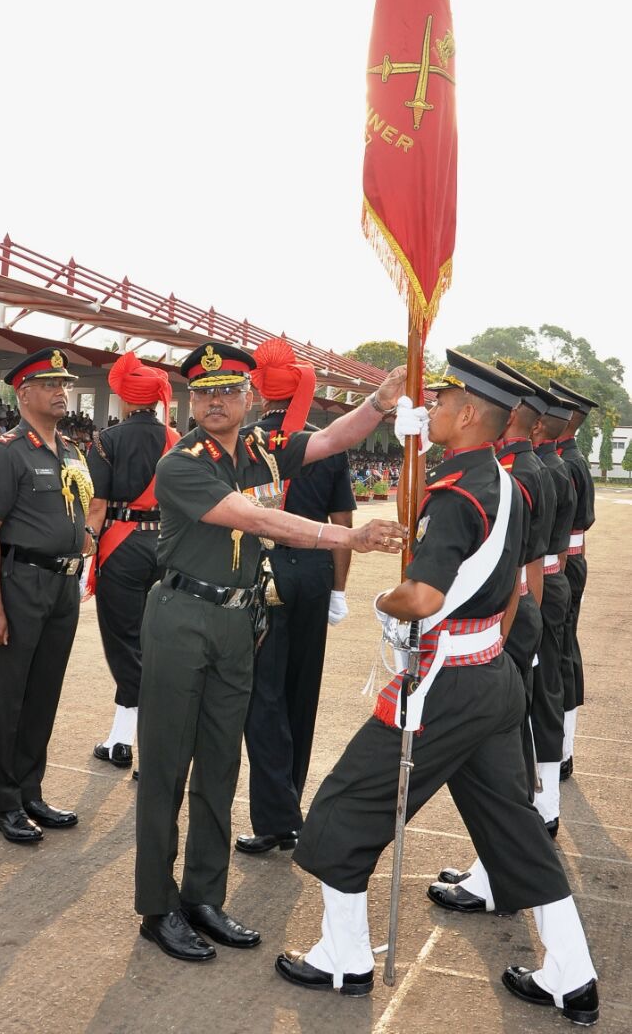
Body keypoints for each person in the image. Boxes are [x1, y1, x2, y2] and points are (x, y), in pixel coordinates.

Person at [276, 350, 599, 1026]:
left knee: (341, 810)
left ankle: (345, 956)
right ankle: (572, 973)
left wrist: (383, 606)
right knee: (514, 830)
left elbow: (421, 594)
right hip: (491, 674)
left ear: (471, 413)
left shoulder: (459, 497)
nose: (436, 408)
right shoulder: (505, 482)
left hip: (446, 685)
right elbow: (508, 593)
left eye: (444, 402)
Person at [135, 341, 407, 965]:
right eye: (203, 393)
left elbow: (328, 441)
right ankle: (157, 905)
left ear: (250, 398)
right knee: (168, 768)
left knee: (222, 766)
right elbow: (257, 522)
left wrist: (377, 404)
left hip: (238, 622)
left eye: (228, 391)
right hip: (182, 618)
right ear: (190, 401)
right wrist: (350, 536)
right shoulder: (182, 462)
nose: (214, 401)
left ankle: (204, 895)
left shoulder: (256, 448)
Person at [429, 360, 557, 909]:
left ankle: (493, 872)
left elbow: (521, 573)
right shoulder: (513, 469)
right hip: (506, 618)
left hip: (503, 620)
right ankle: (491, 868)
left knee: (504, 760)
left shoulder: (516, 476)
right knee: (496, 764)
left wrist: (500, 641)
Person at [235, 338, 356, 856]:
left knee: (262, 699)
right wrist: (338, 589)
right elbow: (342, 523)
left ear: (262, 395)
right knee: (300, 692)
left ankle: (275, 818)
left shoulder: (243, 443)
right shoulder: (325, 443)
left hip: (260, 571)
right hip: (313, 570)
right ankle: (291, 806)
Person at [0, 347, 95, 844]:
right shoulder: (8, 451)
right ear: (24, 394)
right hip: (21, 583)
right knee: (9, 696)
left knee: (43, 692)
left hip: (63, 585)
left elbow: (84, 512)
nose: (60, 392)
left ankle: (30, 790)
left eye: (63, 385)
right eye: (50, 385)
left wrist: (83, 539)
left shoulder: (70, 451)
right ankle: (4, 803)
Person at [85, 352, 179, 770]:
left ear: (124, 400)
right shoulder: (177, 439)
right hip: (166, 545)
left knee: (124, 644)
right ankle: (137, 744)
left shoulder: (106, 440)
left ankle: (129, 743)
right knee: (162, 644)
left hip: (120, 546)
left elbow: (97, 506)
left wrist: (84, 548)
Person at [500, 367, 576, 839]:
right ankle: (541, 803)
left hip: (530, 596)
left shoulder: (527, 473)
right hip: (540, 593)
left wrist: (524, 623)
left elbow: (531, 560)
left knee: (533, 704)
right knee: (539, 698)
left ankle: (541, 805)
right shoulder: (540, 467)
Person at [549, 379, 598, 781]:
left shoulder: (564, 462)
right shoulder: (571, 458)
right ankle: (563, 747)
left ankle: (561, 750)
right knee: (565, 651)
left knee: (559, 656)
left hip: (562, 563)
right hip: (571, 560)